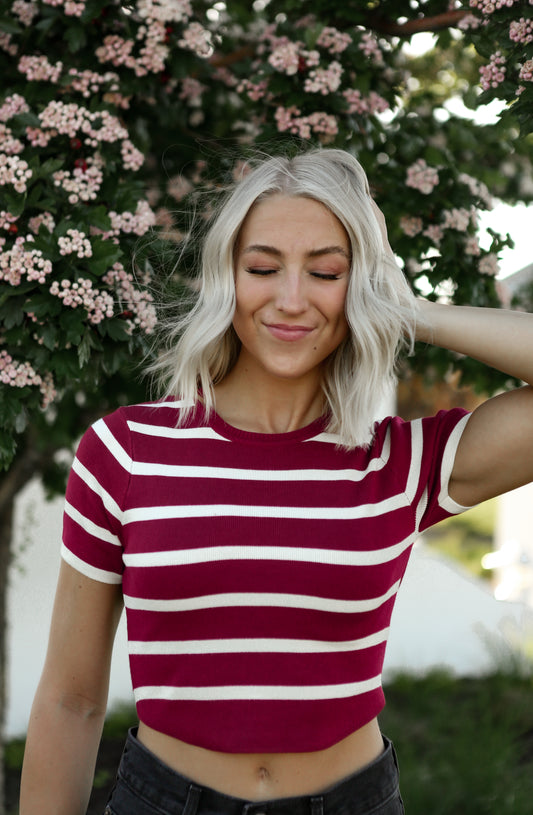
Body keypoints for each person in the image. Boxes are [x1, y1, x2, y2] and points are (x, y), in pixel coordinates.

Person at [20, 148, 533, 815]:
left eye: (325, 271)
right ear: (225, 278)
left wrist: (408, 313)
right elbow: (70, 697)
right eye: (262, 267)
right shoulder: (122, 452)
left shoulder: (400, 461)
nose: (291, 299)